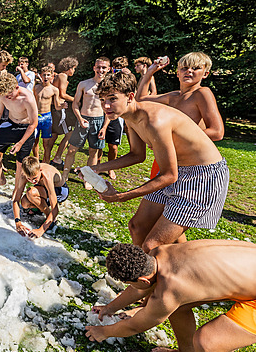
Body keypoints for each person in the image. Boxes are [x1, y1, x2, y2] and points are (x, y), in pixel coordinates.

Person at [86, 71, 228, 253]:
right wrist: (97, 167)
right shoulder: (129, 116)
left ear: (130, 97)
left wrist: (122, 196)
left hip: (203, 177)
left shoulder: (155, 121)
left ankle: (157, 276)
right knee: (137, 227)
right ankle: (144, 273)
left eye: (112, 99)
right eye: (102, 100)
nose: (106, 106)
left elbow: (169, 175)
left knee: (152, 245)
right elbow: (137, 155)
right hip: (178, 171)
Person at [86, 241, 256, 352]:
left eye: (128, 283)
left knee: (205, 343)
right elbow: (142, 287)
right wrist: (110, 308)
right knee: (179, 307)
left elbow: (135, 326)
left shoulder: (170, 290)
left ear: (142, 280)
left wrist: (103, 332)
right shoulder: (158, 253)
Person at [137, 52, 224, 179]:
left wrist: (167, 139)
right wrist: (149, 72)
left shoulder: (202, 93)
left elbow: (217, 132)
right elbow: (141, 100)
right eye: (184, 68)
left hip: (193, 164)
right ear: (178, 73)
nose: (189, 71)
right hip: (169, 158)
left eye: (195, 68)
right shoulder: (173, 96)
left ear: (205, 74)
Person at [0, 72, 38, 194]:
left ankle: (16, 192)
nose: (7, 97)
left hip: (26, 129)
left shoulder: (27, 98)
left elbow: (33, 124)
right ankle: (1, 178)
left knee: (20, 164)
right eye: (4, 95)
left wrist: (20, 143)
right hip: (11, 124)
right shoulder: (2, 94)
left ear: (17, 87)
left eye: (9, 95)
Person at [61, 57, 111, 189]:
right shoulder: (84, 84)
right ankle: (65, 175)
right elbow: (75, 104)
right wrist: (79, 118)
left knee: (93, 151)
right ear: (94, 68)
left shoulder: (110, 87)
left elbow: (109, 110)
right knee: (71, 150)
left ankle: (88, 178)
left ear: (108, 69)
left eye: (104, 67)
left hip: (99, 120)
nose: (101, 70)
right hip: (83, 119)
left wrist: (104, 127)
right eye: (98, 67)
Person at [13, 156, 68, 238]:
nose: (33, 181)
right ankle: (39, 209)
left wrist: (41, 230)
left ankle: (50, 218)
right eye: (29, 179)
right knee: (24, 203)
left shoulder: (47, 175)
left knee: (31, 192)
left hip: (60, 191)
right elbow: (16, 200)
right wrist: (18, 222)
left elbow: (55, 208)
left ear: (40, 170)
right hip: (43, 189)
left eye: (35, 178)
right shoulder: (23, 174)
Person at [48, 57, 78, 167]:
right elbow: (62, 94)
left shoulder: (59, 76)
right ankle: (57, 158)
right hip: (59, 109)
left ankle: (48, 157)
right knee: (69, 134)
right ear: (69, 67)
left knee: (54, 135)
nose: (74, 71)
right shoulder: (63, 76)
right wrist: (77, 100)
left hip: (55, 108)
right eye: (73, 68)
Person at [103, 56, 129, 180]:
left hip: (115, 116)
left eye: (120, 69)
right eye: (115, 69)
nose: (117, 71)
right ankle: (97, 167)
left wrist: (128, 76)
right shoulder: (106, 78)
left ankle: (110, 168)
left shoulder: (127, 80)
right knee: (97, 146)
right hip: (100, 114)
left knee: (113, 146)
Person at [31, 66, 60, 161]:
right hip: (35, 116)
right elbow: (32, 102)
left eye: (48, 75)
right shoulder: (36, 88)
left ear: (52, 77)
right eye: (44, 75)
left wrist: (62, 106)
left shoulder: (54, 90)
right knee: (34, 142)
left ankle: (46, 162)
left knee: (46, 143)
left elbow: (57, 106)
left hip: (46, 117)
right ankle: (36, 161)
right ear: (41, 76)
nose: (46, 77)